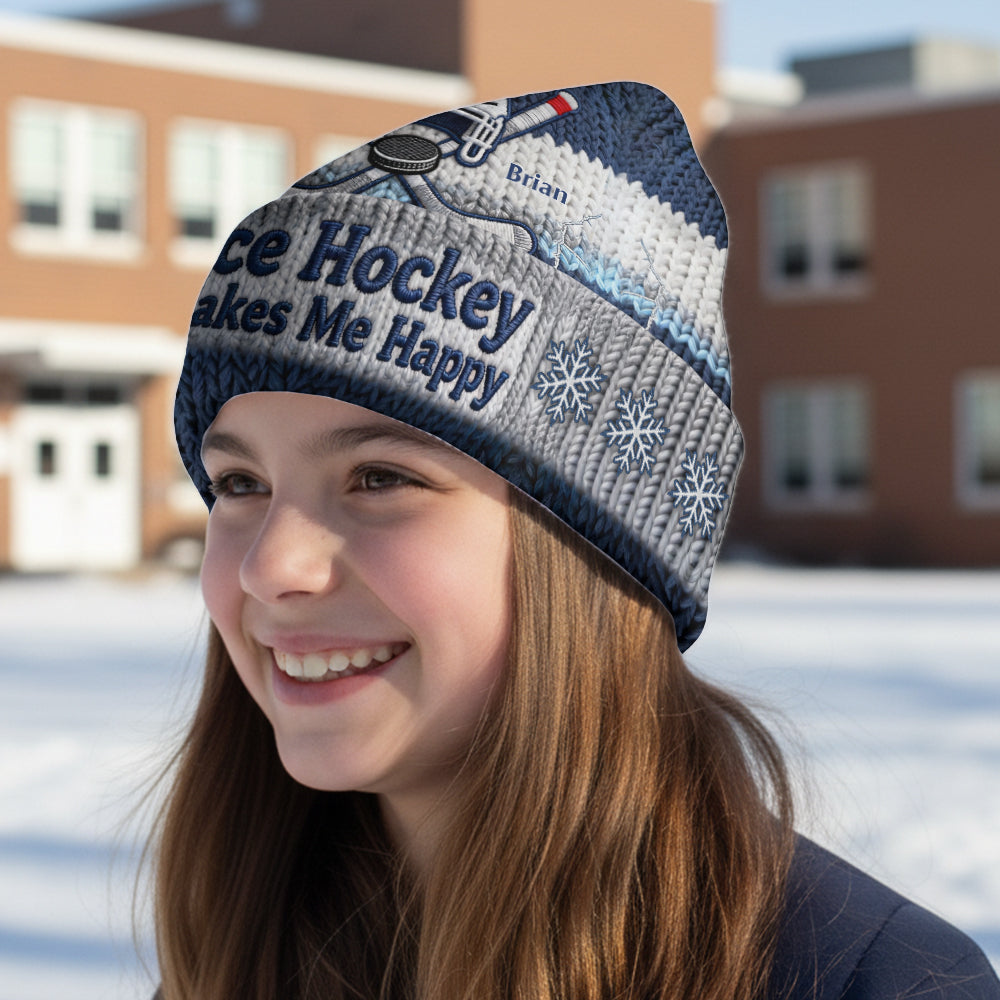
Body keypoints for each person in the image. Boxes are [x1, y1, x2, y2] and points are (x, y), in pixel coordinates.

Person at [157, 82, 999, 1000]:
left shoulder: (877, 984)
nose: (271, 565)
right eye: (240, 483)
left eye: (381, 478)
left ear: (594, 548)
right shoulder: (244, 950)